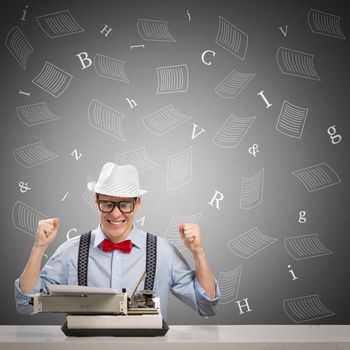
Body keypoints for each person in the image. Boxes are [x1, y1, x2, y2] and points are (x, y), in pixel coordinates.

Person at [15, 162, 220, 320]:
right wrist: (38, 247)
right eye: (107, 203)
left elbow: (206, 304)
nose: (115, 214)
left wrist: (198, 253)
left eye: (124, 204)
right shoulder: (71, 250)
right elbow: (27, 303)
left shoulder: (162, 251)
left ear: (138, 204)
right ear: (96, 202)